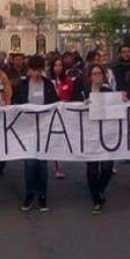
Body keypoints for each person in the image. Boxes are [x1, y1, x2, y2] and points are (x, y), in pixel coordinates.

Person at [13, 55, 58, 211]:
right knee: (30, 163)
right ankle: (30, 193)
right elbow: (16, 103)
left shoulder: (48, 85)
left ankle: (42, 195)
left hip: (44, 129)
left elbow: (54, 103)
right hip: (27, 128)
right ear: (29, 70)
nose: (37, 74)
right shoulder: (23, 85)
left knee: (42, 163)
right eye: (34, 70)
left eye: (40, 70)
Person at [71, 63, 115, 215]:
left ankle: (99, 189)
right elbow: (73, 108)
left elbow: (116, 108)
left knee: (108, 168)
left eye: (99, 74)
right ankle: (96, 200)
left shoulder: (108, 92)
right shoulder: (84, 93)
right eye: (94, 74)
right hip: (90, 135)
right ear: (90, 77)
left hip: (105, 135)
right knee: (92, 169)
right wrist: (82, 106)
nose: (97, 76)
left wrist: (122, 99)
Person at [48, 57, 76, 179]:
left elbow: (71, 95)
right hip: (53, 113)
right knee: (55, 137)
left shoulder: (68, 80)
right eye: (55, 65)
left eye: (60, 65)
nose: (58, 68)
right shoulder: (48, 81)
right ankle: (57, 165)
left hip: (65, 112)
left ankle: (60, 160)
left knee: (64, 137)